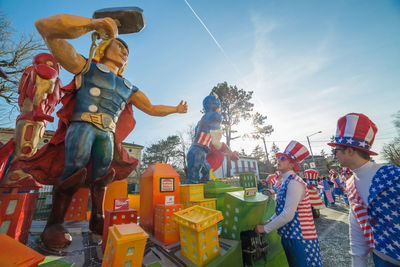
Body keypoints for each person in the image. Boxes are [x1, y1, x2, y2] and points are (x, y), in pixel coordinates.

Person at [34, 14, 188, 249]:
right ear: (105, 47)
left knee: (101, 178)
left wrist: (176, 110)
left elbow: (152, 108)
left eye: (127, 51)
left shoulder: (128, 87)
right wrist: (92, 25)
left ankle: (97, 218)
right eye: (119, 45)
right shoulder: (86, 67)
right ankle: (53, 224)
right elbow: (46, 28)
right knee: (73, 171)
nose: (125, 51)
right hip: (82, 126)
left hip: (107, 134)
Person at [328, 112, 400, 266]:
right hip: (380, 259)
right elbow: (357, 232)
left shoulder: (392, 174)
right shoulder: (350, 184)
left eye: (336, 150)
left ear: (350, 150)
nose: (334, 156)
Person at [255, 141, 323, 266]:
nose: (278, 160)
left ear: (292, 164)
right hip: (291, 235)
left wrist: (264, 228)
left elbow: (287, 214)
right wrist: (270, 221)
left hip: (301, 238)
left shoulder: (294, 182)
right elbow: (281, 210)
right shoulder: (286, 181)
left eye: (283, 158)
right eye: (278, 158)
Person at [186, 93, 238, 184]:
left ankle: (203, 194)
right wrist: (230, 153)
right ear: (215, 105)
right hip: (199, 151)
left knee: (206, 173)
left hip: (197, 151)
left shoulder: (201, 120)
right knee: (193, 182)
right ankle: (191, 198)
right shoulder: (215, 116)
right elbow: (216, 142)